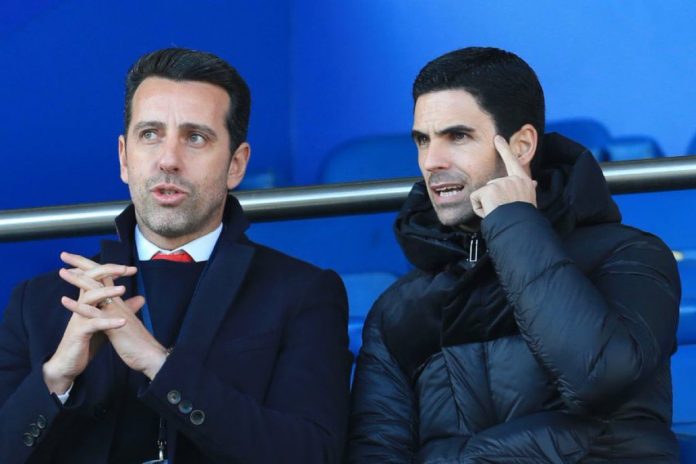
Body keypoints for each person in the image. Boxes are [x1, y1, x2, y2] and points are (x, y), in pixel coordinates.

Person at [0, 48, 352, 463]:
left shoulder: (304, 294)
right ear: (123, 157)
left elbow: (313, 455)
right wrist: (56, 378)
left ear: (236, 165)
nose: (169, 160)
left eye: (195, 137)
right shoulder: (38, 302)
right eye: (150, 134)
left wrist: (158, 364)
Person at [348, 47, 681, 462]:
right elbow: (376, 452)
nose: (432, 161)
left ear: (521, 146)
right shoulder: (396, 307)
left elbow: (596, 379)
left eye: (458, 136)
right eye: (422, 140)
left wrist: (514, 223)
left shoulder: (630, 255)